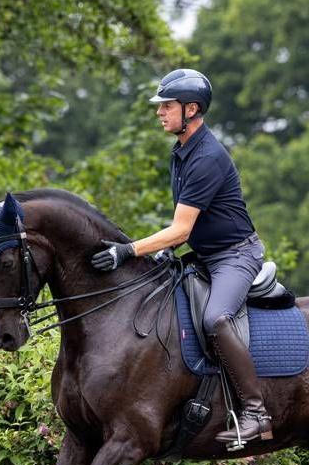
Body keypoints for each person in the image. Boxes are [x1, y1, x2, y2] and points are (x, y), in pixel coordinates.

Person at [90, 68, 273, 445]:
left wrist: (127, 251)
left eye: (167, 106)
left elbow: (181, 228)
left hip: (235, 256)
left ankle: (257, 414)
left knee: (217, 319)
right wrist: (163, 252)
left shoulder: (206, 156)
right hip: (205, 255)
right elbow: (187, 224)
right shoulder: (182, 151)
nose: (159, 112)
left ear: (192, 109)